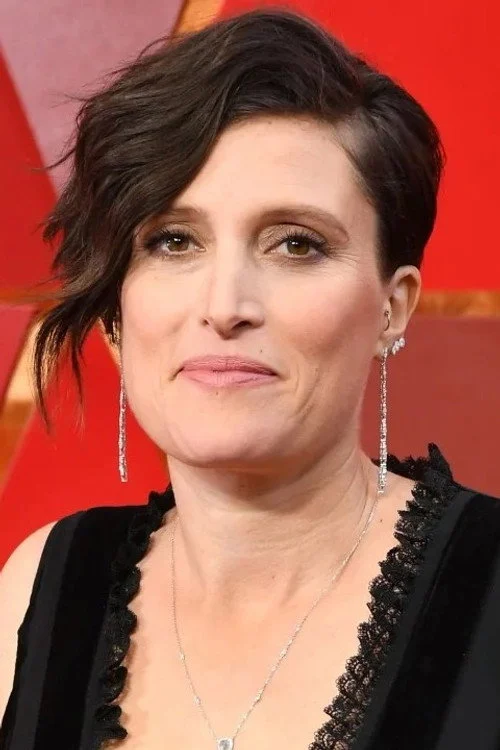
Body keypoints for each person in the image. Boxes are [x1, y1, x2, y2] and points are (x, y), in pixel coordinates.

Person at [1, 7, 499, 750]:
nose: (225, 305)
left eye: (295, 245)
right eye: (173, 241)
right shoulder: (40, 587)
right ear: (115, 310)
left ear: (392, 308)